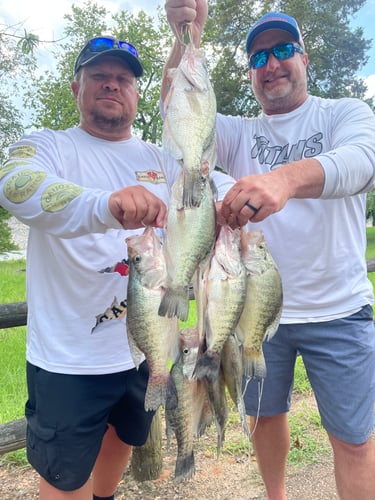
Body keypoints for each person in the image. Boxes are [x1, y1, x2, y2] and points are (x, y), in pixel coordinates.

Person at [0, 35, 233, 499]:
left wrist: (233, 195)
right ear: (75, 88)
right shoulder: (47, 146)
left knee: (122, 437)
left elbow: (207, 178)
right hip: (68, 360)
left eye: (123, 79)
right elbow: (15, 186)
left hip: (144, 349)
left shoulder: (158, 159)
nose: (112, 85)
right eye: (99, 76)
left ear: (136, 93)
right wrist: (106, 203)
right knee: (65, 475)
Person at [163, 2, 375, 499]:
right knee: (264, 419)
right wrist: (183, 33)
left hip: (338, 312)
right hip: (248, 310)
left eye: (282, 50)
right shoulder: (238, 131)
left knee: (355, 440)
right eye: (258, 57)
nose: (271, 64)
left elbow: (364, 162)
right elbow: (180, 111)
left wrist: (284, 179)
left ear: (305, 59)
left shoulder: (345, 112)